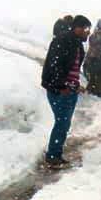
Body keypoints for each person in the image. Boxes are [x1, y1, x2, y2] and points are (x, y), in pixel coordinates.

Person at [41, 14, 91, 167]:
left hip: (70, 91)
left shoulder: (77, 45)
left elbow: (73, 69)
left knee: (65, 123)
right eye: (86, 29)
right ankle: (52, 155)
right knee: (62, 122)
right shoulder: (62, 41)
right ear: (77, 28)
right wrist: (61, 86)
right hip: (59, 91)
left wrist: (75, 85)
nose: (88, 32)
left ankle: (56, 153)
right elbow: (54, 66)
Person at [84, 19, 101, 96]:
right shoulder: (100, 34)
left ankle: (94, 90)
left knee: (95, 75)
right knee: (99, 75)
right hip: (97, 57)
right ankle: (97, 91)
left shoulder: (96, 34)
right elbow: (97, 46)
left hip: (94, 57)